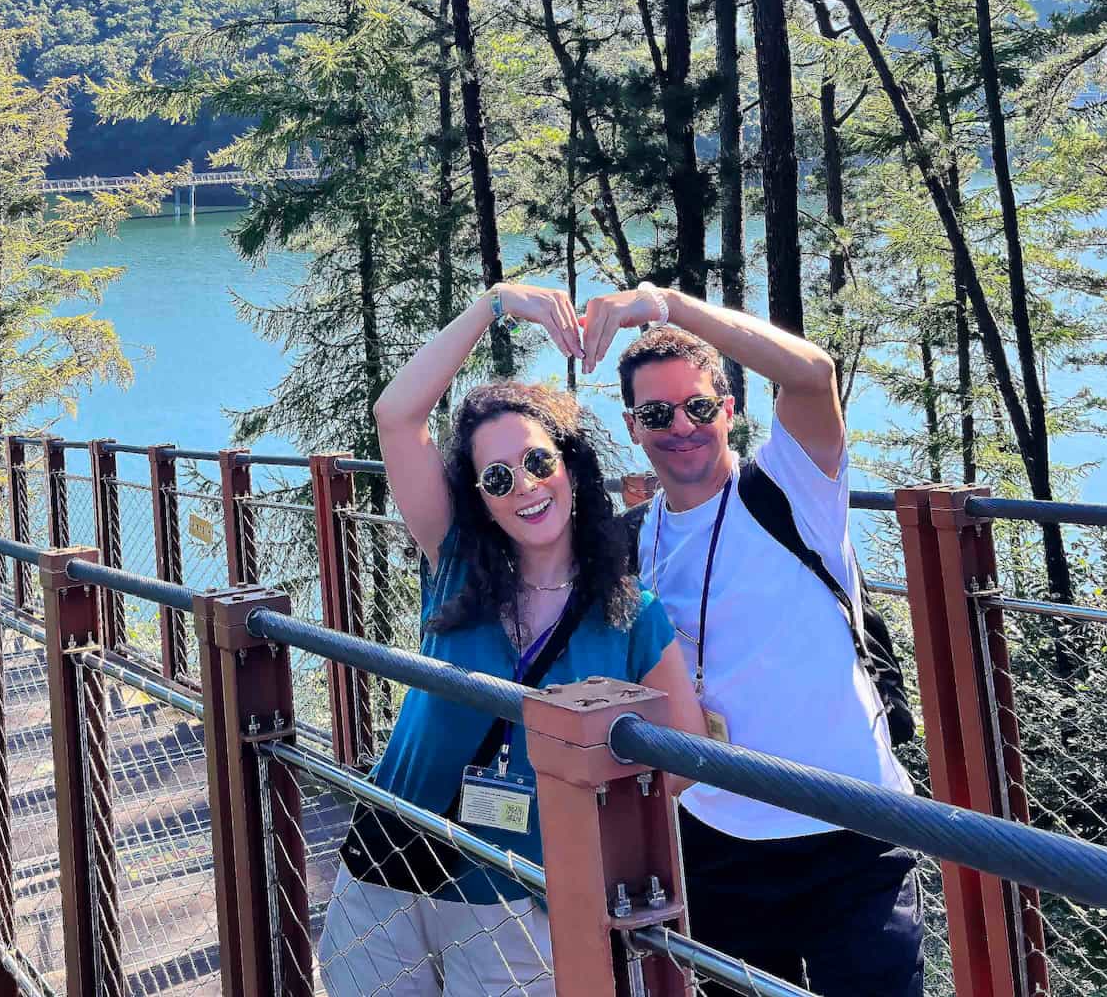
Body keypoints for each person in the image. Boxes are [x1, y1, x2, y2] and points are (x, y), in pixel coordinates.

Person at [317, 283, 703, 997]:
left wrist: (591, 786)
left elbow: (682, 755)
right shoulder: (457, 564)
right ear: (481, 498)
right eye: (497, 477)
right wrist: (492, 305)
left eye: (537, 462)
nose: (524, 486)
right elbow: (397, 416)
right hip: (390, 860)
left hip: (518, 892)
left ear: (570, 466)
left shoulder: (628, 613)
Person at [579, 286, 923, 996]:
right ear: (633, 427)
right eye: (657, 414)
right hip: (716, 841)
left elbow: (812, 374)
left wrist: (667, 304)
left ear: (730, 411)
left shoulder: (793, 490)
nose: (682, 426)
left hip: (853, 828)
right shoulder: (632, 543)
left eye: (699, 406)